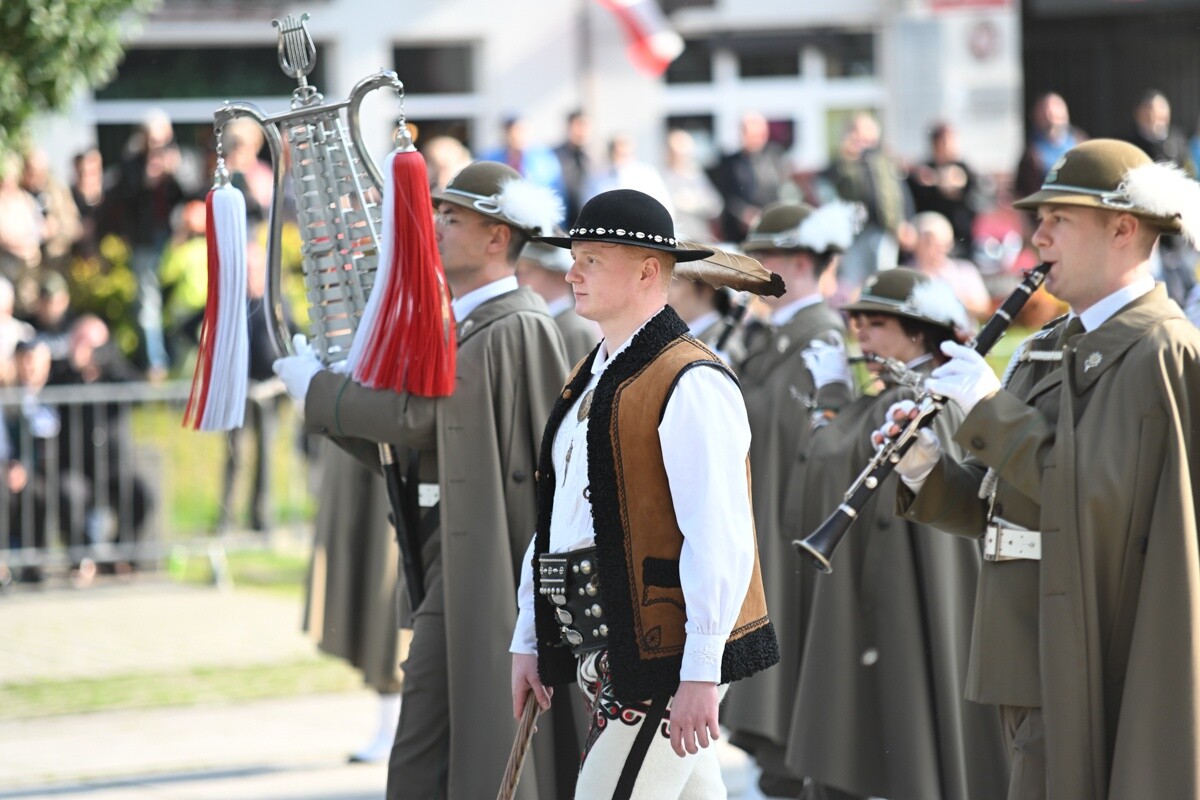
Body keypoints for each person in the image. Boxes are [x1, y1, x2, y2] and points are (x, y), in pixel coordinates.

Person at [890, 138, 1200, 798]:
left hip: (1093, 650)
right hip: (1026, 652)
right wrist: (923, 467)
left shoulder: (1159, 346)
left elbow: (1095, 501)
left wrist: (987, 409)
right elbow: (1009, 503)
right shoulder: (1050, 344)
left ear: (1122, 228)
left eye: (1060, 218)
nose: (1038, 235)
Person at [273, 160, 578, 800]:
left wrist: (324, 395)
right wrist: (333, 404)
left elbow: (423, 417)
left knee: (426, 749)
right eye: (438, 212)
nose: (435, 224)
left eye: (454, 216)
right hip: (453, 552)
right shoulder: (475, 322)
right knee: (427, 750)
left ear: (499, 238)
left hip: (482, 562)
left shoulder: (511, 323)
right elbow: (423, 443)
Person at [510, 188, 781, 798]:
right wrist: (528, 635)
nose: (571, 272)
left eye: (591, 260)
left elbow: (720, 533)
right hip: (607, 643)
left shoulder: (691, 381)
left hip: (666, 654)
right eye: (572, 257)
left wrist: (701, 673)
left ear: (648, 270)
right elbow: (558, 517)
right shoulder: (593, 373)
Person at [784, 268, 1008, 800]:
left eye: (876, 321)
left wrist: (833, 396)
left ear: (918, 333)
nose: (860, 332)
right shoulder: (899, 389)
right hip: (882, 570)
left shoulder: (925, 393)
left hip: (904, 577)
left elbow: (830, 458)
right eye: (856, 319)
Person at [721, 200, 859, 797]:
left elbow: (802, 445)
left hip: (785, 532)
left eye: (767, 257)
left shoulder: (816, 338)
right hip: (761, 526)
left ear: (800, 263)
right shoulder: (774, 333)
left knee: (790, 696)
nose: (755, 269)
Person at [303, 436, 406, 763]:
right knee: (368, 579)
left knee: (385, 576)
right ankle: (388, 727)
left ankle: (392, 729)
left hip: (390, 435)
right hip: (355, 426)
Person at [107, 109, 188, 378]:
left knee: (177, 301)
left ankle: (180, 359)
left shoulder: (176, 158)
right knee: (148, 303)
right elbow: (122, 199)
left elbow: (189, 193)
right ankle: (156, 362)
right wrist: (148, 177)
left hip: (175, 241)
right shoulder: (130, 164)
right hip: (143, 241)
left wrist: (172, 172)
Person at [819, 112, 912, 302]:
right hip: (855, 234)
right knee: (851, 282)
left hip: (884, 230)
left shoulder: (885, 159)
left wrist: (905, 221)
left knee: (884, 279)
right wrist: (846, 158)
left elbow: (900, 194)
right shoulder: (844, 162)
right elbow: (826, 188)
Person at [710, 112, 792, 242]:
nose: (755, 139)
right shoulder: (729, 163)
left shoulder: (775, 157)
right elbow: (724, 196)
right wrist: (744, 214)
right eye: (750, 134)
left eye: (759, 134)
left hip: (770, 225)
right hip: (739, 230)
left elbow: (782, 190)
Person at [906, 122, 983, 260]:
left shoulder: (964, 168)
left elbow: (974, 192)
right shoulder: (922, 172)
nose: (952, 146)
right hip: (932, 243)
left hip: (961, 238)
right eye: (946, 142)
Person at [516, 238, 601, 364]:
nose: (519, 280)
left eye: (524, 272)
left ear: (557, 274)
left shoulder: (574, 329)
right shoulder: (552, 321)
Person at [909, 211, 992, 320]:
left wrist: (947, 300)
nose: (936, 250)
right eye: (928, 242)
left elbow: (983, 307)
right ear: (916, 242)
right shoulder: (905, 273)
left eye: (942, 245)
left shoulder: (964, 271)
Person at [1014, 92, 1086, 202]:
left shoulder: (1080, 142)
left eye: (1055, 109)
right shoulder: (1032, 154)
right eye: (1044, 111)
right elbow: (1022, 191)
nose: (1050, 115)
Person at [582, 134, 673, 214]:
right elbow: (589, 207)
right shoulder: (597, 178)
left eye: (626, 154)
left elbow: (665, 206)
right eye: (618, 154)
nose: (621, 160)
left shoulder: (648, 175)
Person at [662, 128, 723, 244]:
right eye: (676, 153)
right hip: (675, 240)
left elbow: (716, 206)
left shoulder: (696, 176)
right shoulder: (661, 177)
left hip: (699, 238)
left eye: (684, 153)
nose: (681, 157)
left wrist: (694, 202)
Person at [554, 110, 592, 228]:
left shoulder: (594, 157)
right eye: (578, 125)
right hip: (563, 221)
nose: (581, 131)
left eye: (585, 126)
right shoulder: (555, 155)